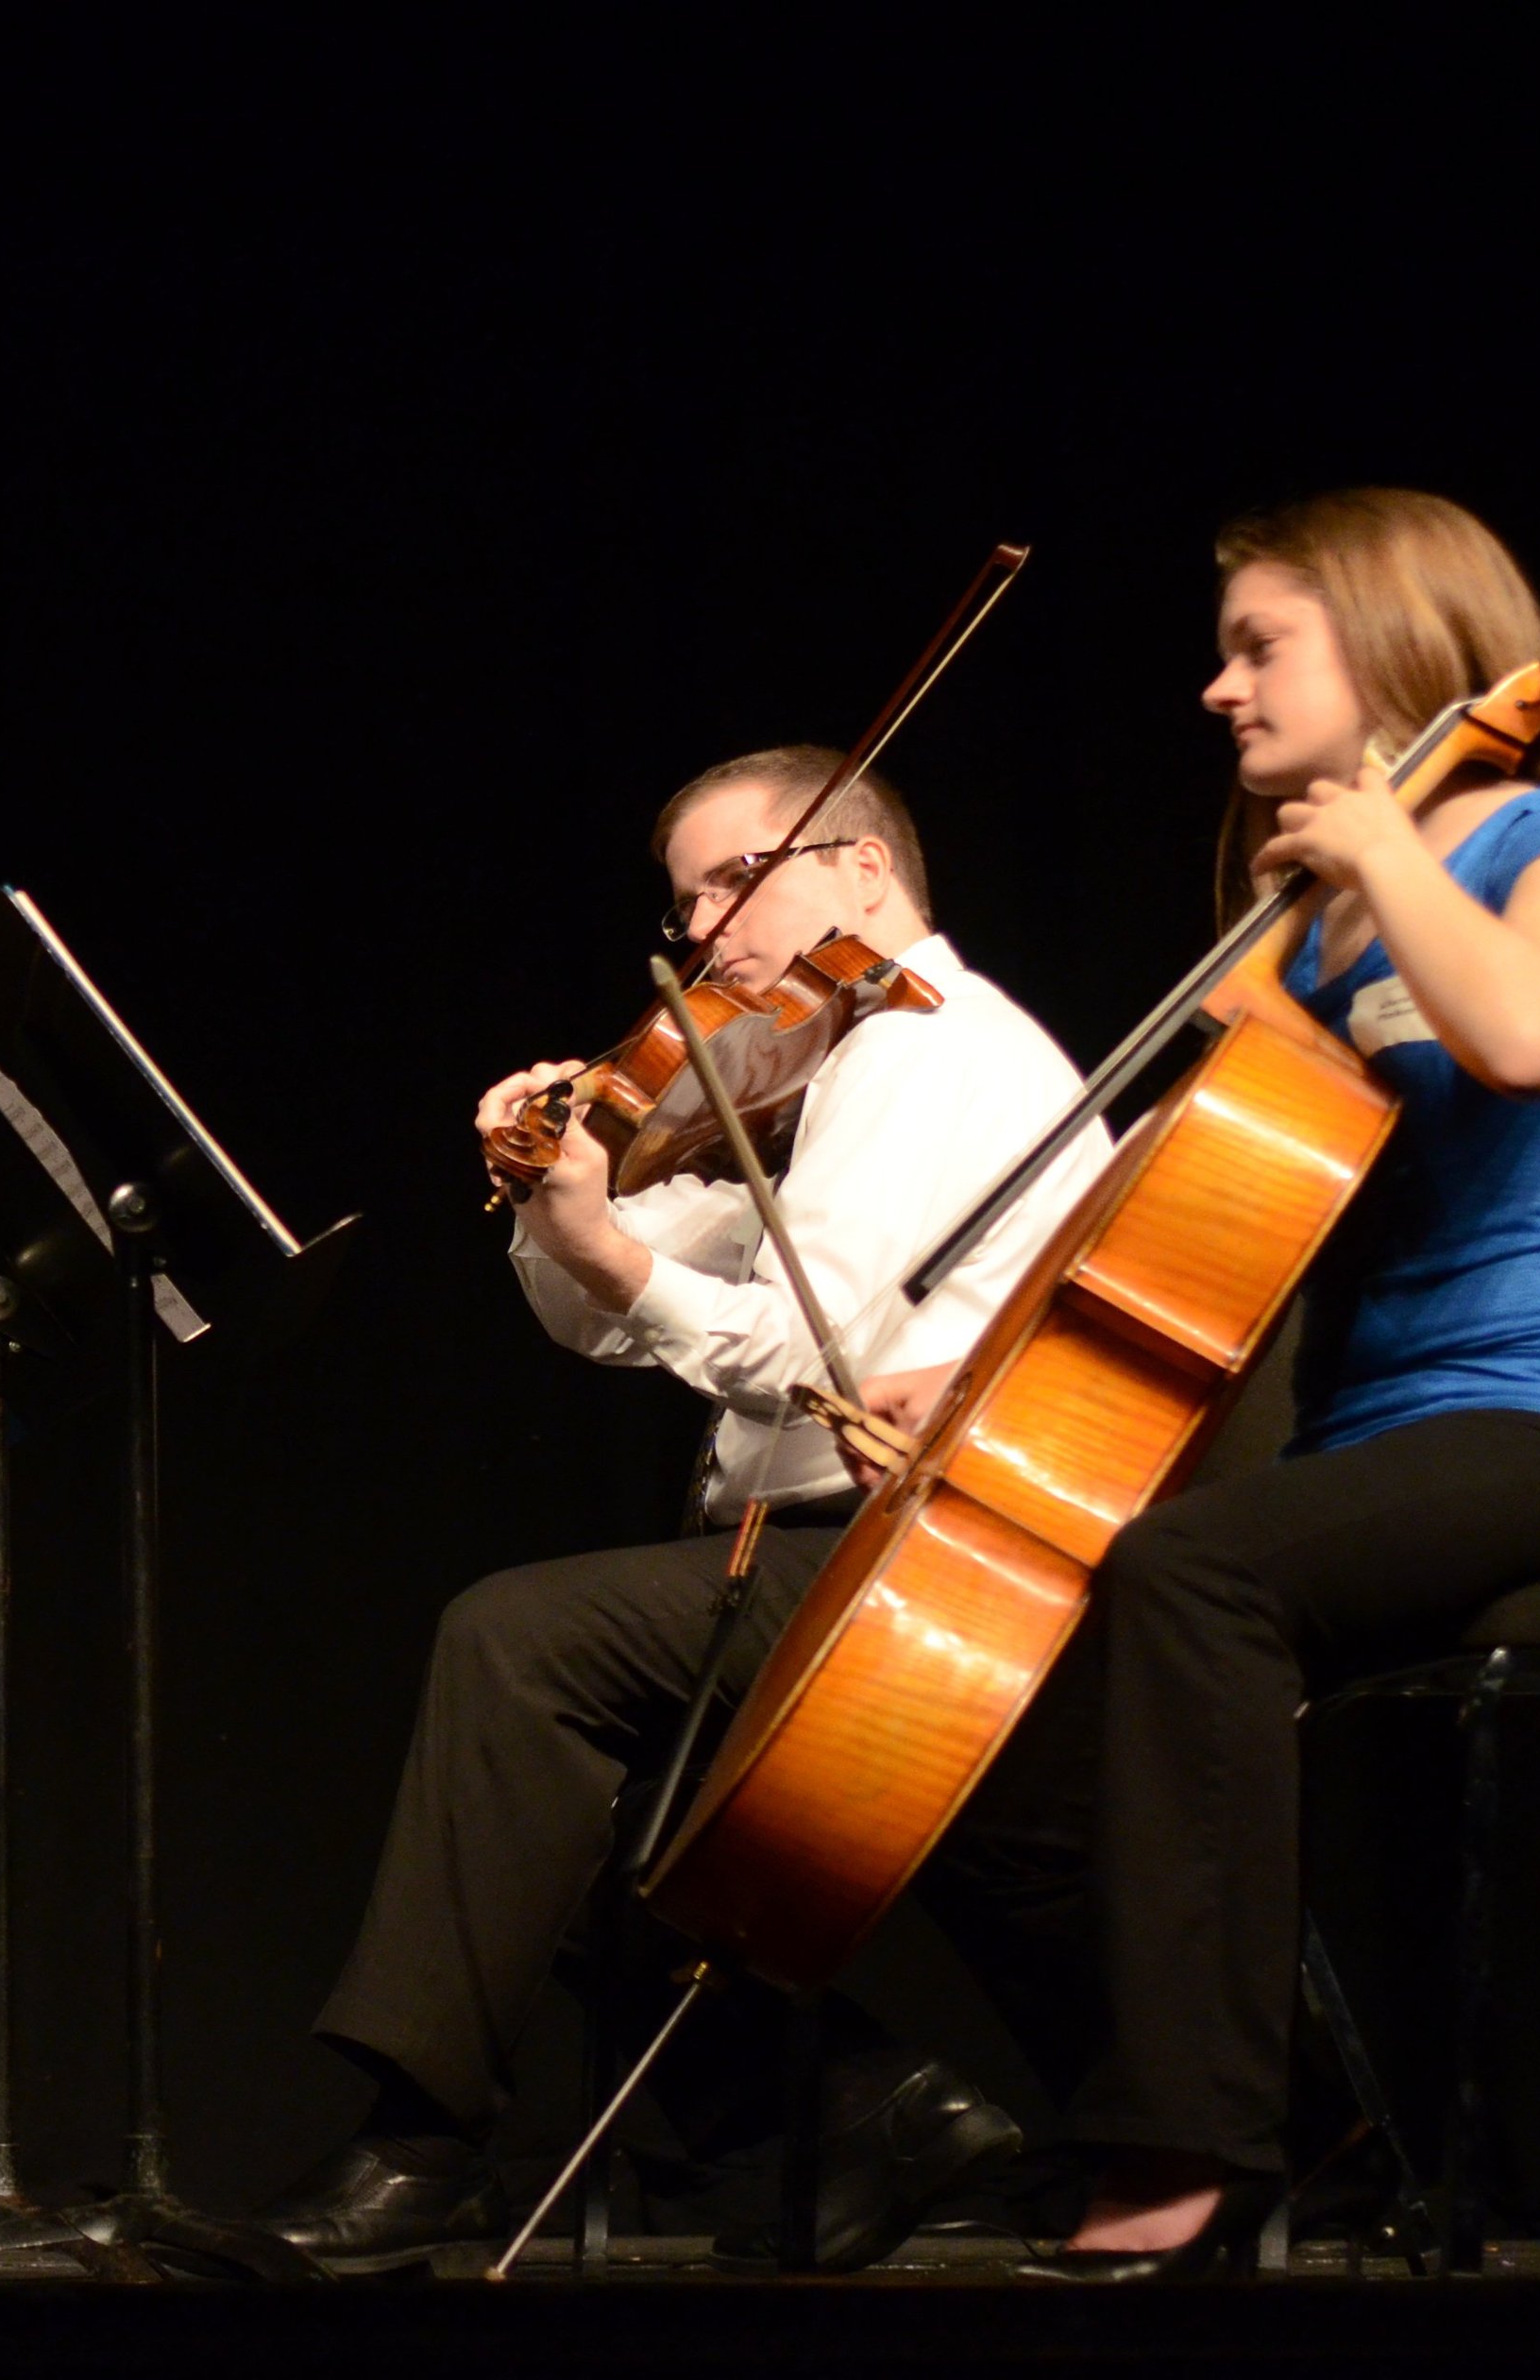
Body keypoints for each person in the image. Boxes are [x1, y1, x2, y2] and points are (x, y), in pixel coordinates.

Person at [255, 747, 1118, 2271]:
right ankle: (870, 2108)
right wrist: (561, 1203)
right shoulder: (819, 1067)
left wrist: (612, 1255)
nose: (708, 930)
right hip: (826, 1552)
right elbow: (604, 1313)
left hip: (933, 1560)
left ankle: (419, 2143)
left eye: (739, 877)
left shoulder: (930, 1050)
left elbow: (819, 1359)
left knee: (516, 1645)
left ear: (864, 872)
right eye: (685, 900)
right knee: (541, 1836)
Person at [987, 488, 1540, 2280]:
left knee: (1194, 1576)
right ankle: (1306, 2105)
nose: (1219, 690)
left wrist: (1382, 852)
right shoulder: (1300, 924)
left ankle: (1184, 2148)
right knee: (1033, 1678)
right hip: (1372, 1435)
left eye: (1259, 646)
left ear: (1390, 644)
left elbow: (1531, 1039)